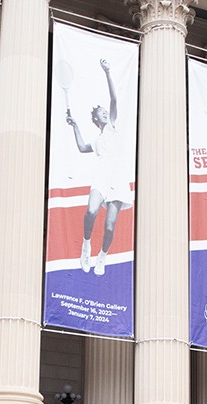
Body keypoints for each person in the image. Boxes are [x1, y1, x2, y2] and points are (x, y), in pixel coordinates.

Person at [65, 58, 131, 278]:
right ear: (95, 119)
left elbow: (114, 99)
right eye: (100, 112)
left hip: (118, 179)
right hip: (102, 177)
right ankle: (86, 245)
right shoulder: (97, 140)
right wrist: (75, 126)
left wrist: (107, 72)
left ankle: (102, 256)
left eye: (105, 111)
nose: (104, 112)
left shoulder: (112, 127)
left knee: (110, 226)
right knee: (91, 211)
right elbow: (82, 147)